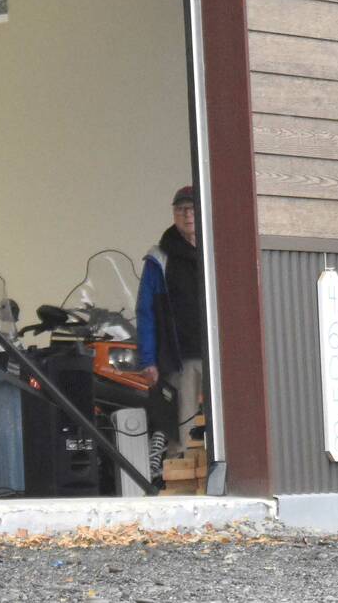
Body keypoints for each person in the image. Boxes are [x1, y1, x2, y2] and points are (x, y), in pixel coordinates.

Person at [137, 184, 208, 488]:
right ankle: (181, 487)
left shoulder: (216, 247)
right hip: (182, 360)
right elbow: (146, 313)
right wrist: (149, 359)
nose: (187, 214)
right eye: (180, 209)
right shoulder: (160, 258)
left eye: (191, 208)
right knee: (183, 427)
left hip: (217, 354)